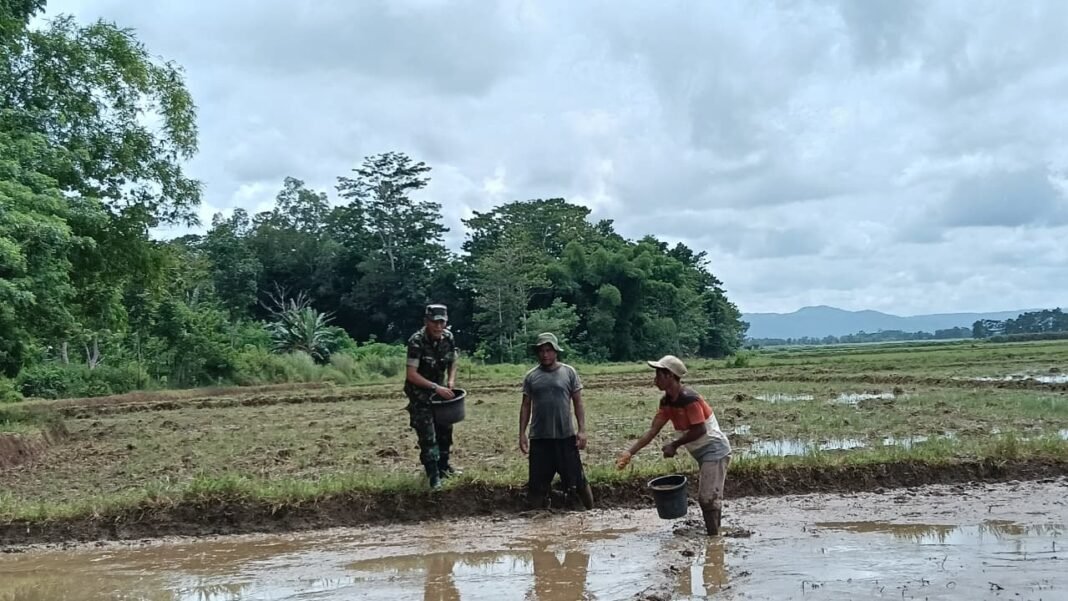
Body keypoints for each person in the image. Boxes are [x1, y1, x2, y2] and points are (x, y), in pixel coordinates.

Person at [616, 355, 732, 535]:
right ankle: (715, 534)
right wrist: (629, 452)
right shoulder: (667, 402)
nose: (655, 380)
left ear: (669, 375)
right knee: (710, 497)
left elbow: (699, 429)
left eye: (658, 375)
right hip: (701, 452)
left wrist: (674, 445)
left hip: (715, 449)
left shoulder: (689, 399)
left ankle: (714, 541)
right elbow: (653, 431)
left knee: (707, 498)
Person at [518, 332, 594, 510]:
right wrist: (522, 434)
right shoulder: (531, 377)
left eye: (548, 350)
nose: (545, 354)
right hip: (540, 439)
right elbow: (525, 406)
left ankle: (592, 512)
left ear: (556, 352)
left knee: (578, 481)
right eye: (541, 351)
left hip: (565, 437)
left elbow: (578, 402)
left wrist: (582, 430)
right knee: (536, 486)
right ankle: (536, 516)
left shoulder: (569, 372)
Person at [404, 303, 460, 490]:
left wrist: (450, 380)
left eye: (442, 322)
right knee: (428, 436)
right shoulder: (416, 341)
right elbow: (411, 374)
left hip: (440, 395)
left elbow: (453, 360)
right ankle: (433, 476)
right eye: (434, 322)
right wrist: (436, 387)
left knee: (445, 432)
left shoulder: (448, 337)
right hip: (420, 396)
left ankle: (444, 467)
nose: (438, 326)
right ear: (426, 322)